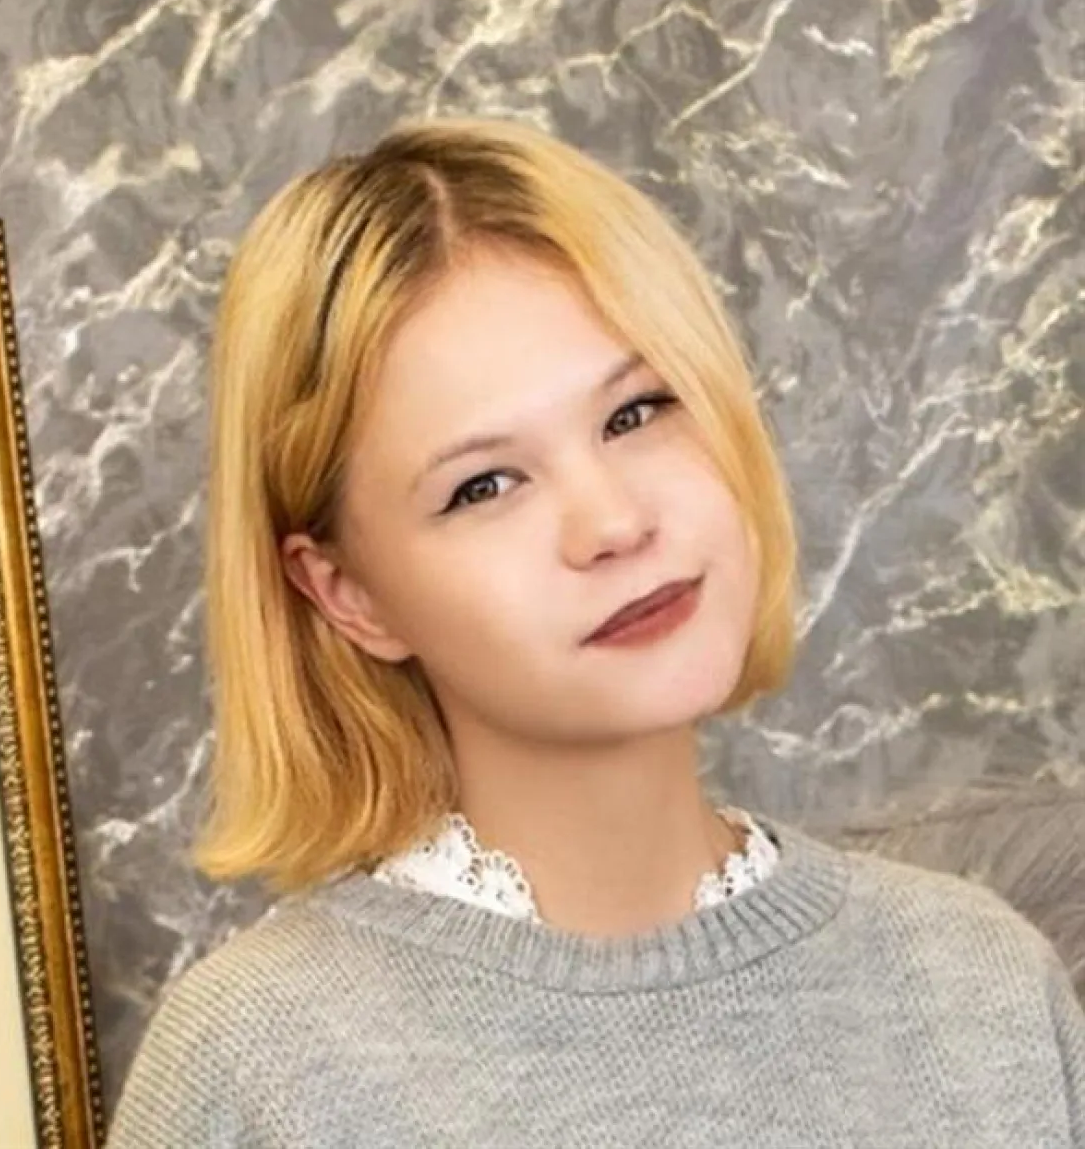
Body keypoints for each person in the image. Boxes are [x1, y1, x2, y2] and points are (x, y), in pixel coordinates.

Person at [105, 116, 1085, 1147]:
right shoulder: (256, 1066)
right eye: (485, 485)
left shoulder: (980, 984)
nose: (614, 523)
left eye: (636, 413)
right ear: (350, 595)